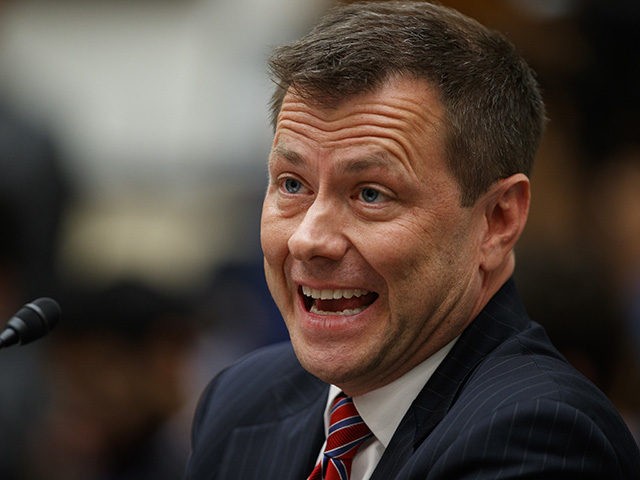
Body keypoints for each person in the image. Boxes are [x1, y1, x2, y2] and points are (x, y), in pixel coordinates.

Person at [184, 1, 640, 478]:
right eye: (292, 184)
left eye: (371, 194)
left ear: (497, 220)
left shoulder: (543, 435)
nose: (308, 240)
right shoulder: (239, 402)